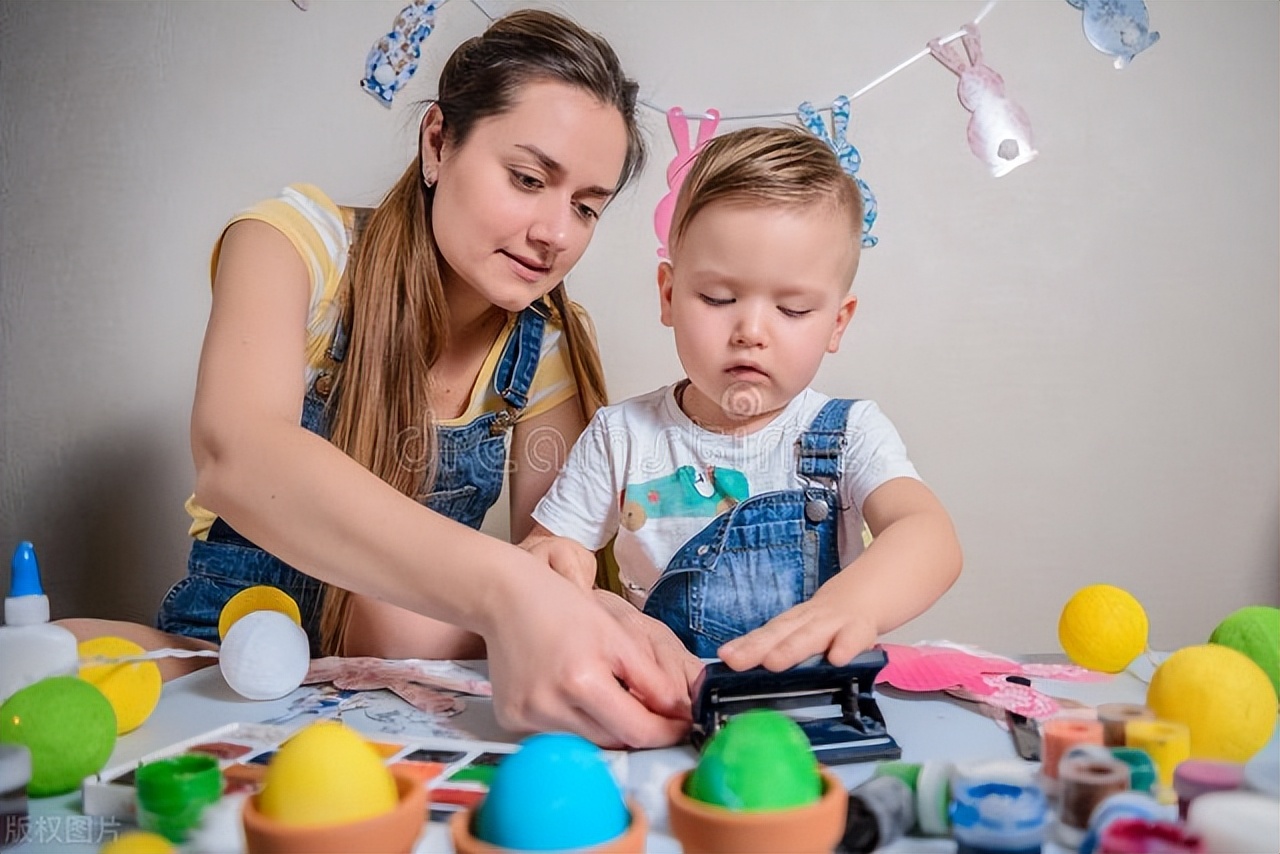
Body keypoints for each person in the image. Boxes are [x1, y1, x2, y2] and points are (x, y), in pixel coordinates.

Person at [136, 9, 690, 748]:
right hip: (229, 673)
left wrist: (612, 618)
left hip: (408, 696)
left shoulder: (546, 341)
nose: (556, 233)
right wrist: (509, 588)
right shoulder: (294, 248)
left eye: (586, 208)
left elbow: (554, 561)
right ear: (437, 143)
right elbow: (238, 456)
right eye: (528, 179)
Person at [523, 125, 963, 672]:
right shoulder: (623, 436)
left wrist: (848, 606)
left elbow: (928, 535)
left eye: (793, 310)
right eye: (718, 298)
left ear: (837, 322)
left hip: (807, 699)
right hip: (667, 695)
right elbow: (547, 554)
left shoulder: (851, 435)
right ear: (669, 295)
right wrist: (556, 564)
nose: (751, 331)